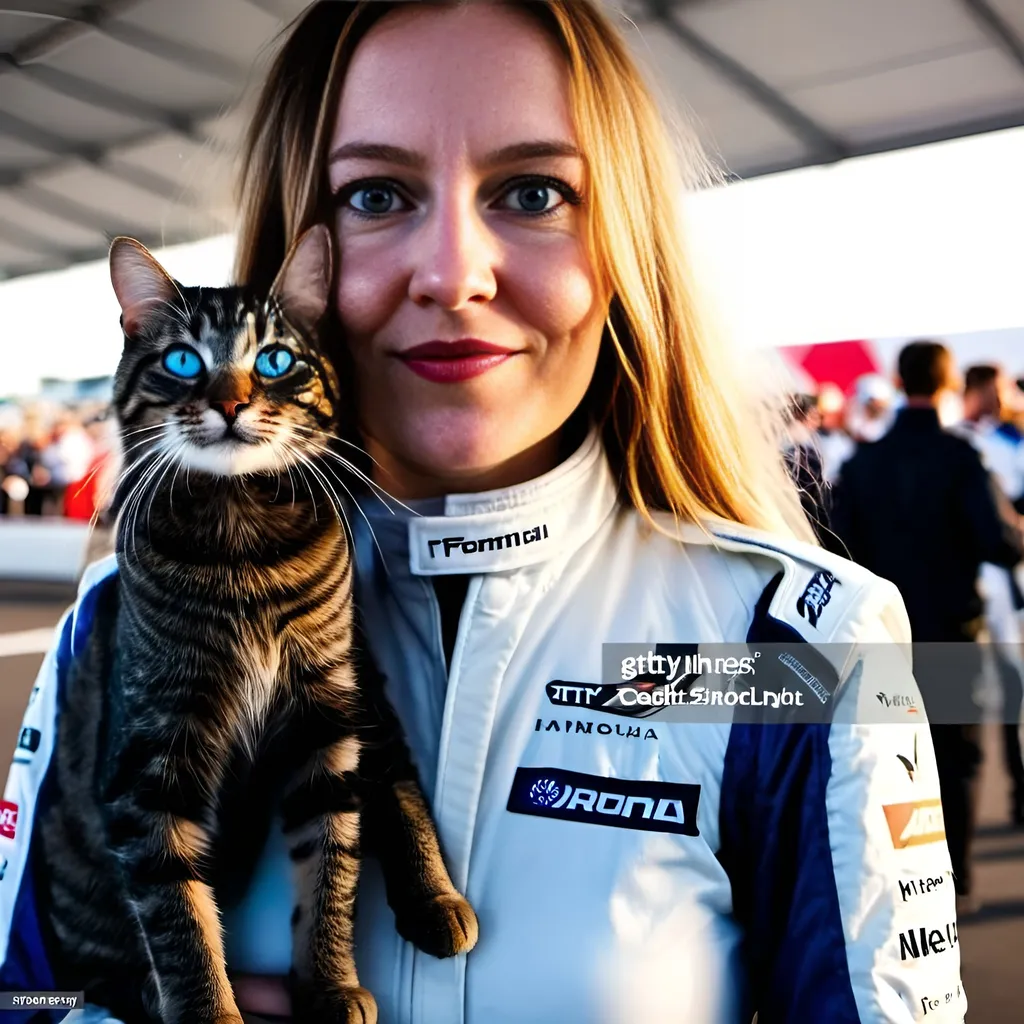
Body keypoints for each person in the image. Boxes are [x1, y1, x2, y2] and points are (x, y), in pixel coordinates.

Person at [1, 4, 964, 1022]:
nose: (454, 275)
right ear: (301, 263)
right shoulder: (115, 616)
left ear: (624, 246)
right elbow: (25, 994)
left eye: (532, 191)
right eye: (375, 194)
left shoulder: (796, 640)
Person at [830, 340, 1024, 912]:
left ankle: (905, 881)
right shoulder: (960, 458)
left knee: (890, 761)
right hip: (950, 633)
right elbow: (1000, 541)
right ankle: (954, 879)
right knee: (955, 759)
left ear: (898, 379)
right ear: (945, 387)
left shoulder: (862, 464)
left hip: (884, 639)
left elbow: (836, 549)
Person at [956, 364, 1024, 824]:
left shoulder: (1014, 439)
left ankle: (1020, 785)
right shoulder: (957, 441)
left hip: (1008, 578)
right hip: (973, 581)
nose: (1001, 398)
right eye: (993, 390)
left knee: (1014, 684)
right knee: (972, 691)